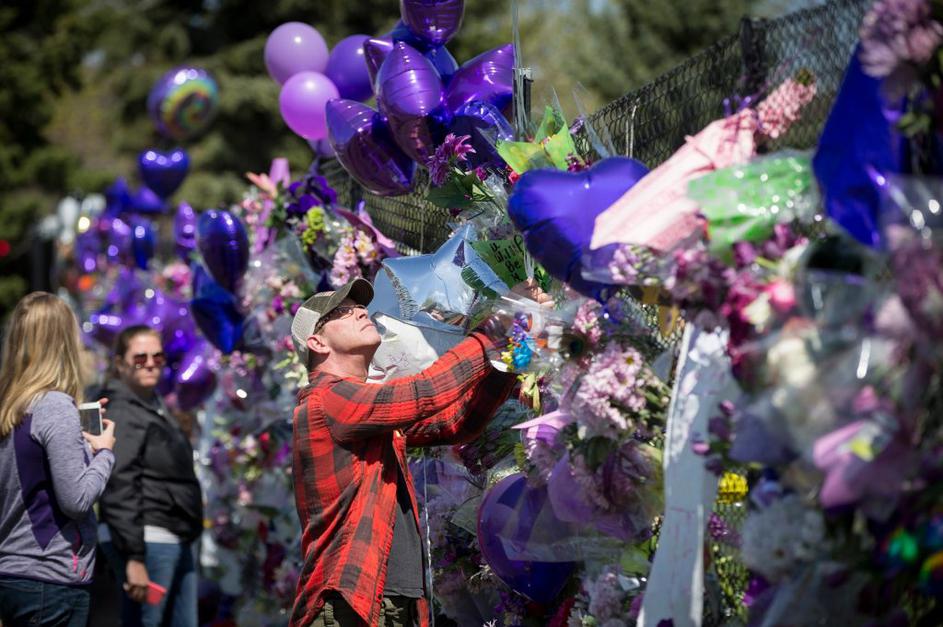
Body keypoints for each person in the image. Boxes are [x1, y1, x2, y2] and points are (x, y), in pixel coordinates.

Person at [288, 277, 546, 627]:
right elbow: (425, 391)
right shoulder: (327, 400)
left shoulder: (362, 414)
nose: (361, 311)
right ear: (317, 342)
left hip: (388, 602)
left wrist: (513, 350)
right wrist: (498, 325)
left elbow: (457, 424)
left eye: (360, 306)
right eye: (343, 312)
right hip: (351, 604)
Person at [0, 292, 117, 626]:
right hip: (49, 577)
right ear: (64, 342)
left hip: (14, 572)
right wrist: (104, 452)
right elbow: (76, 500)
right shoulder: (54, 406)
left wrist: (78, 436)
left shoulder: (12, 406)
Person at [97, 325, 203, 627]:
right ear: (120, 364)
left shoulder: (151, 405)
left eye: (158, 357)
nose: (150, 364)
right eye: (140, 358)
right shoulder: (122, 410)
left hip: (172, 535)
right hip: (147, 539)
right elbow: (118, 481)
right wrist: (134, 557)